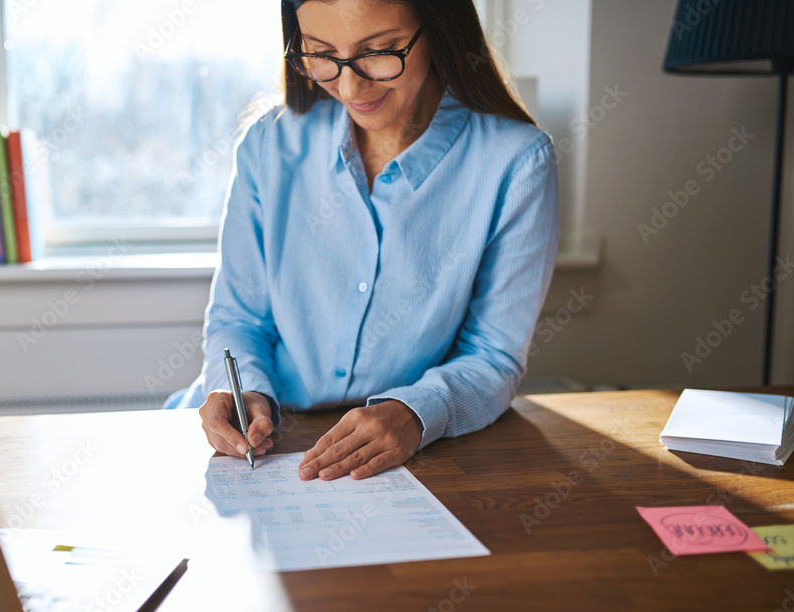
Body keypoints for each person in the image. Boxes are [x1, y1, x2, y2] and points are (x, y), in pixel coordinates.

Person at [165, 0, 560, 482]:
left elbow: (493, 355)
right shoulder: (268, 144)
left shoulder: (516, 161)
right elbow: (239, 319)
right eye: (322, 53)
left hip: (408, 457)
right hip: (254, 451)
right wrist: (243, 392)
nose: (350, 87)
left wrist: (416, 412)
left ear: (440, 28)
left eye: (380, 50)